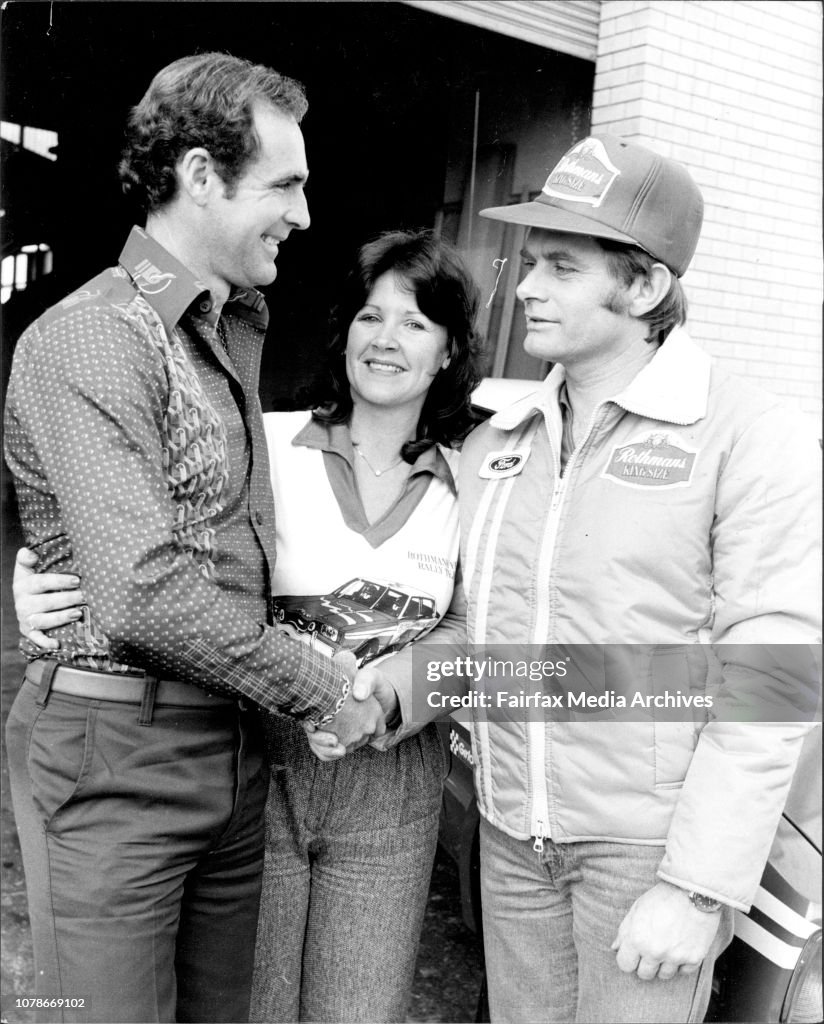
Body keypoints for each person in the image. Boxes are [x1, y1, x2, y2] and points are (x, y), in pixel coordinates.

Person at [350, 134, 821, 1023]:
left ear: (644, 288)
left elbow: (770, 681)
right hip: (511, 838)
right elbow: (479, 634)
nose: (525, 286)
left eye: (562, 267)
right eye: (531, 263)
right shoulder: (503, 439)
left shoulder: (748, 438)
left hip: (645, 855)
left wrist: (696, 887)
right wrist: (395, 684)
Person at [12, 229, 484, 1023]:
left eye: (414, 322)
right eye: (371, 317)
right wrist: (54, 596)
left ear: (448, 351)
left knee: (358, 1010)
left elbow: (478, 630)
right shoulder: (265, 442)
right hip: (256, 762)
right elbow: (155, 554)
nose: (386, 339)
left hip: (392, 782)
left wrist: (391, 696)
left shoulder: (476, 475)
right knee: (248, 1005)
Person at [3, 52, 388, 1024]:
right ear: (200, 176)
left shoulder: (220, 329)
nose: (303, 213)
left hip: (228, 745)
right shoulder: (92, 336)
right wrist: (323, 685)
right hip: (115, 759)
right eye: (286, 183)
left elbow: (219, 544)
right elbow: (140, 592)